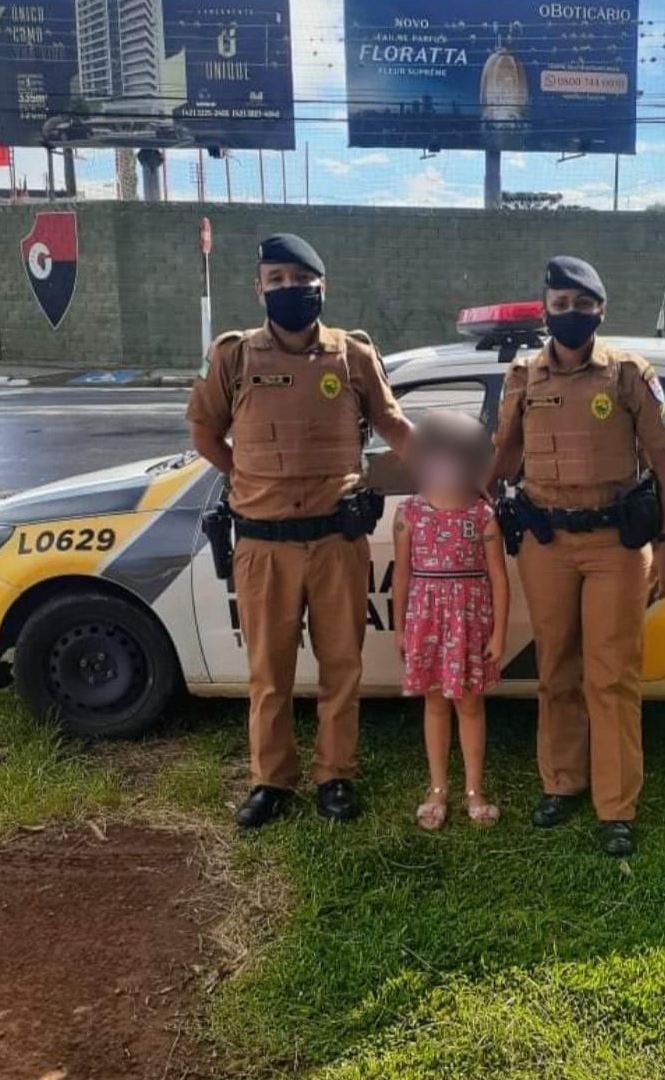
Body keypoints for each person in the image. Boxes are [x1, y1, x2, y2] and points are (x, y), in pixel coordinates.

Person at [186, 233, 411, 828]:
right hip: (263, 546)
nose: (289, 289)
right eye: (276, 279)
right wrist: (248, 478)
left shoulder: (353, 355)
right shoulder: (233, 356)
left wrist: (448, 469)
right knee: (270, 672)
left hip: (337, 543)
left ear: (322, 287)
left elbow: (392, 423)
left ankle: (336, 776)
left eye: (300, 280)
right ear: (259, 287)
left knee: (343, 667)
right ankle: (271, 781)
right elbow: (205, 433)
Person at [490, 255, 665, 856]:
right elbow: (502, 456)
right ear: (545, 306)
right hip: (546, 544)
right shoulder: (523, 376)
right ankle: (561, 784)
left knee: (612, 676)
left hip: (614, 549)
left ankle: (616, 807)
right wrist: (474, 503)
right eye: (559, 304)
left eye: (582, 305)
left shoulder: (628, 374)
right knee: (556, 670)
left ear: (600, 309)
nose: (569, 315)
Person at [392, 411, 510, 830]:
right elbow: (401, 575)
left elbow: (498, 576)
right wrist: (400, 627)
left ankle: (474, 789)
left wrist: (498, 633)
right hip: (426, 621)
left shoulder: (483, 515)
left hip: (469, 621)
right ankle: (438, 788)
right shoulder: (409, 513)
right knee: (435, 702)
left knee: (470, 704)